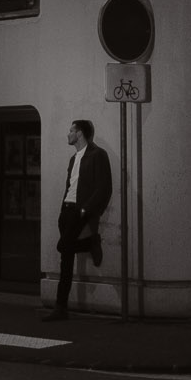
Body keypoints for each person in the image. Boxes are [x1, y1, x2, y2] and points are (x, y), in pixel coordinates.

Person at [43, 119, 111, 322]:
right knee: (66, 256)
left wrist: (84, 210)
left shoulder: (98, 155)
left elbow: (103, 187)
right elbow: (70, 186)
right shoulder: (73, 159)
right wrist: (63, 209)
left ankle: (60, 306)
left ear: (80, 133)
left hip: (80, 212)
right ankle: (90, 243)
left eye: (71, 130)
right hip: (67, 210)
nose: (68, 134)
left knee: (63, 248)